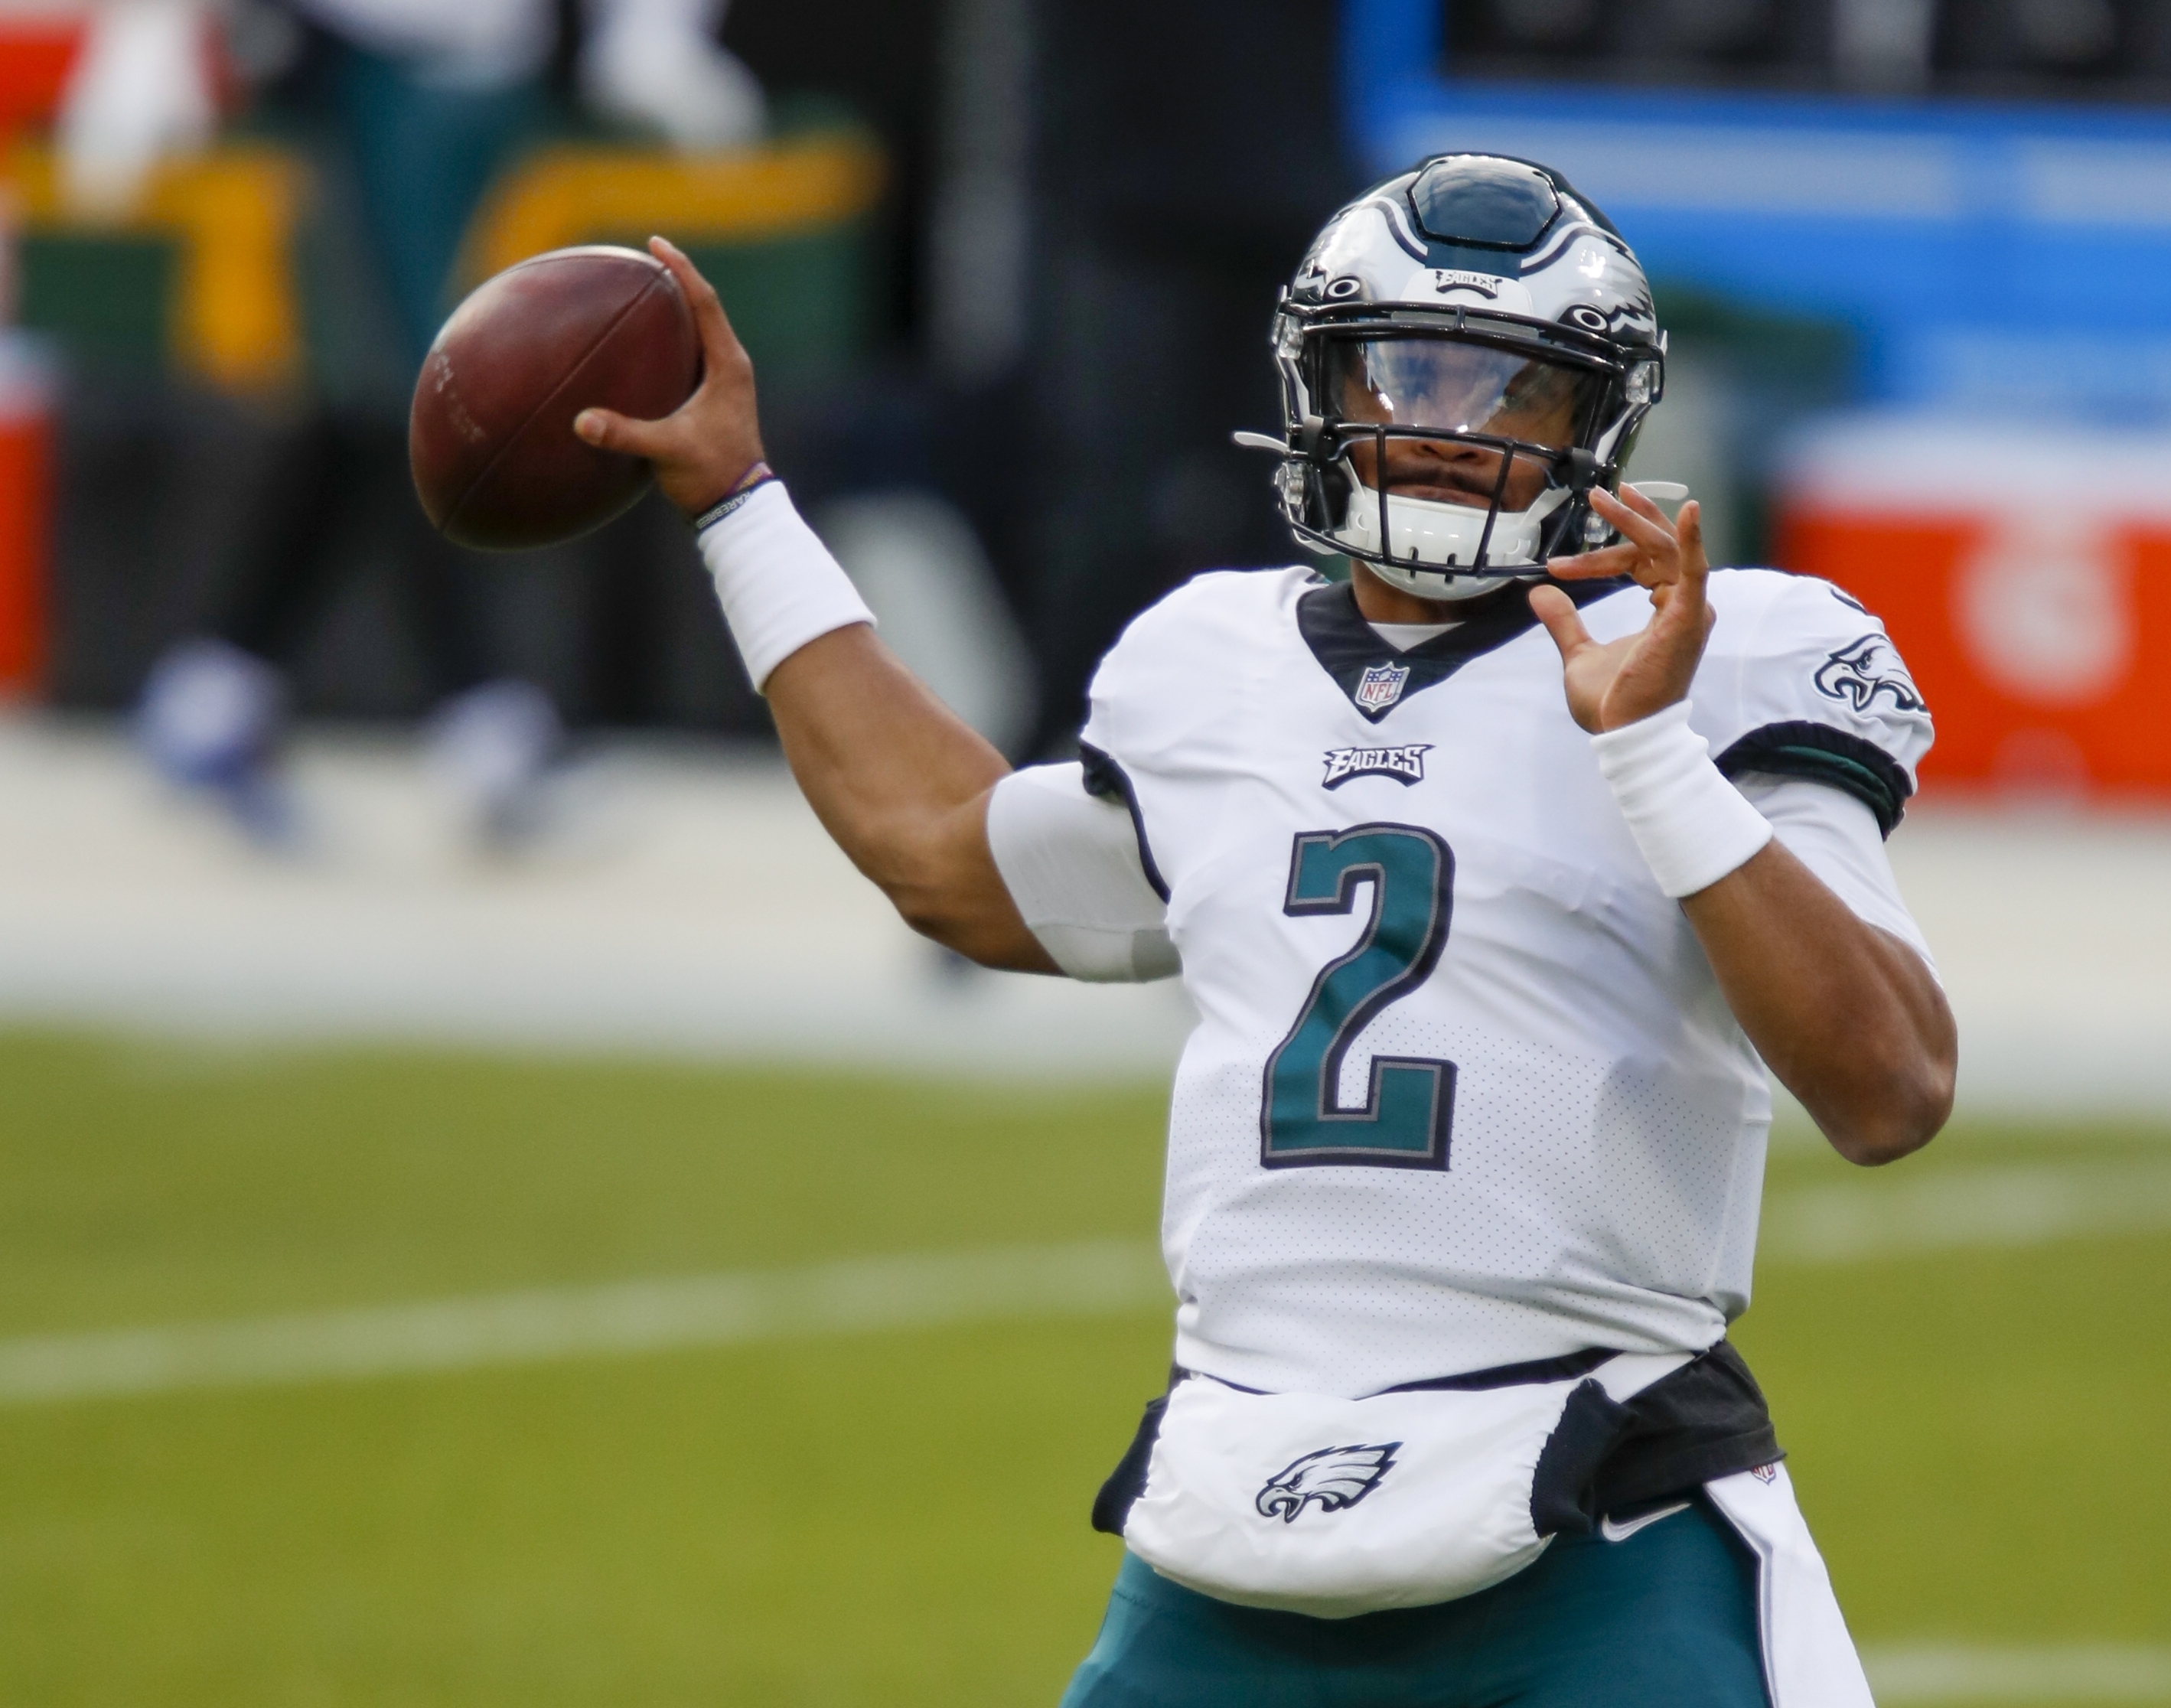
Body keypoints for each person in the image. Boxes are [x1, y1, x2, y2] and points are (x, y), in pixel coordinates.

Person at [577, 155, 1957, 1706]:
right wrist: (739, 507)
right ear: (1320, 377)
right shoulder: (1208, 663)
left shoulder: (1729, 651)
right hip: (1231, 1504)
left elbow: (1885, 1084)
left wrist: (1650, 759)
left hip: (1597, 1514)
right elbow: (948, 859)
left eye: (1513, 392)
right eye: (1410, 369)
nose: (1447, 428)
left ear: (1596, 427)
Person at [63, 0, 761, 846]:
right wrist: (148, 36)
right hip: (368, 55)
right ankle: (489, 730)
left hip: (497, 65)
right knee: (422, 387)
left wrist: (654, 31)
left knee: (377, 401)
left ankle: (211, 697)